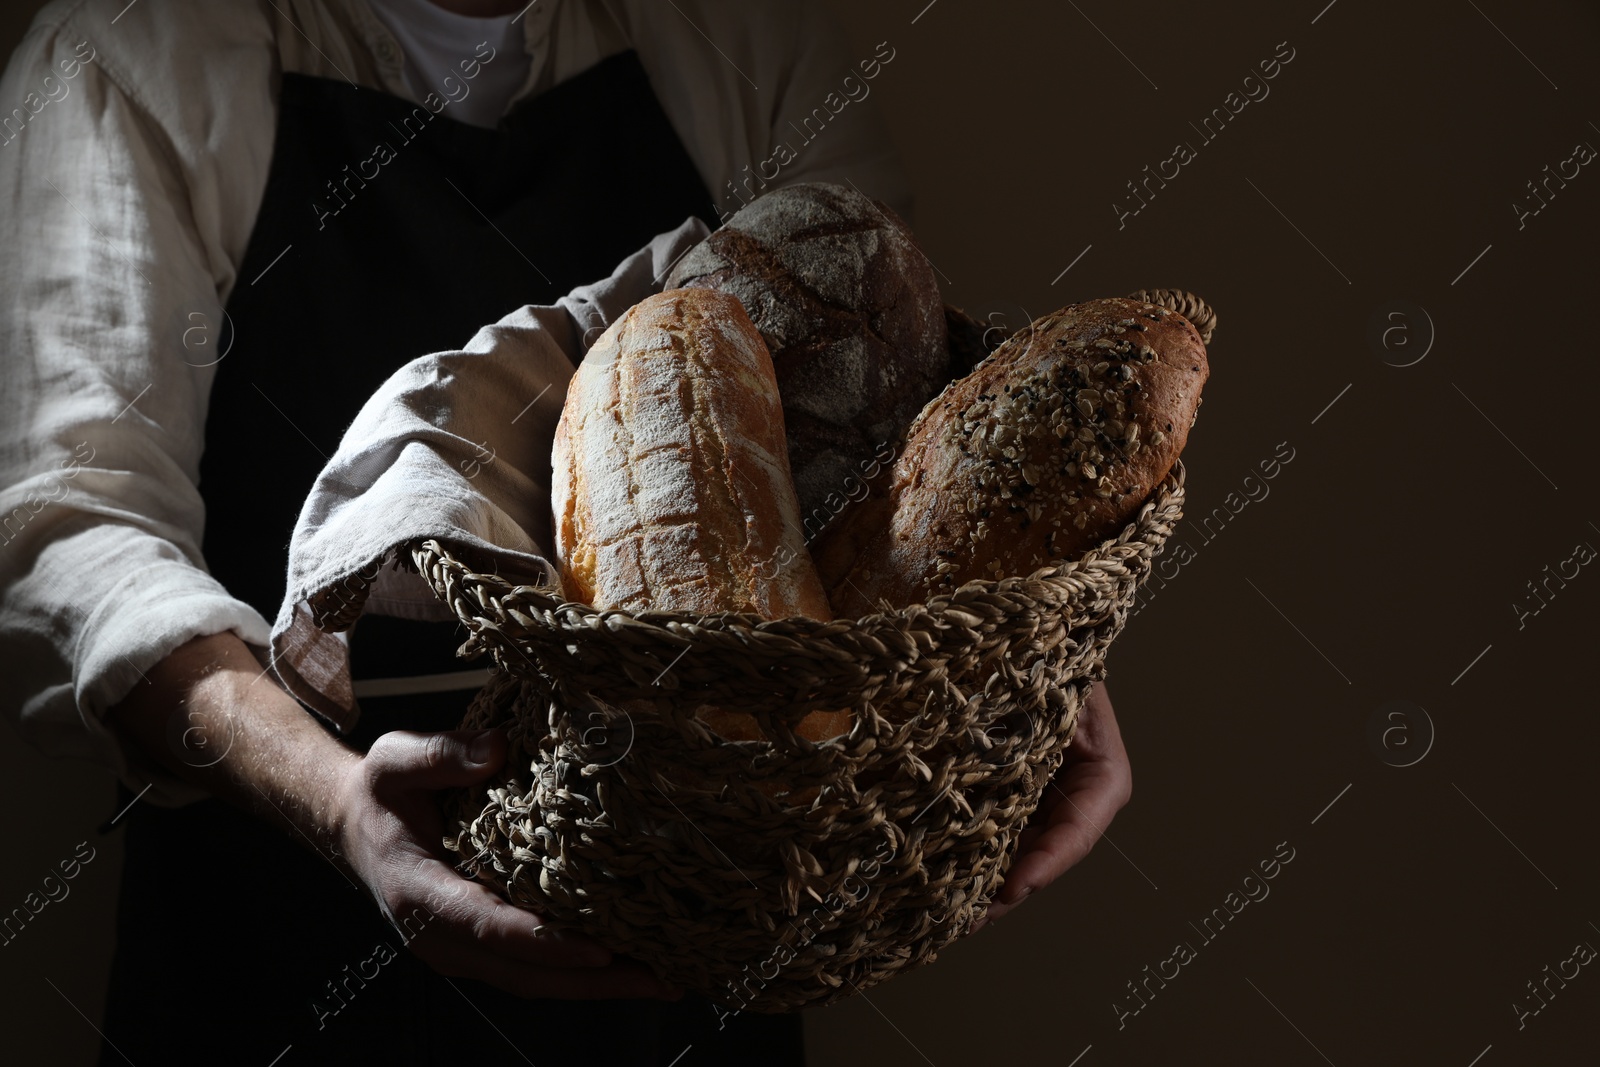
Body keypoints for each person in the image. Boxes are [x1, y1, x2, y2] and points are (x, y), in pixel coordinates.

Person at [0, 1, 1132, 1063]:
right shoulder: (135, 51)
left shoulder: (732, 31)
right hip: (277, 934)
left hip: (695, 944)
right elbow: (72, 534)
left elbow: (897, 423)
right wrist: (337, 803)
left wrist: (1023, 664)